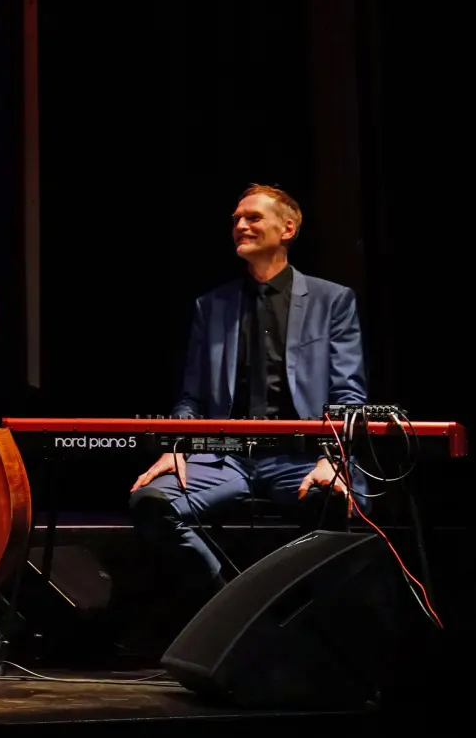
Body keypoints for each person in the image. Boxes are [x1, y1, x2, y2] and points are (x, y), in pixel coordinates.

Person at [130, 184, 367, 600]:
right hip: (227, 458)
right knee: (151, 502)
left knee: (331, 503)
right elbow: (192, 398)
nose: (240, 225)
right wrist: (176, 446)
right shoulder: (212, 305)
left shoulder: (332, 301)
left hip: (301, 456)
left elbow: (348, 393)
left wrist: (332, 459)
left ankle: (302, 624)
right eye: (236, 220)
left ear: (287, 228)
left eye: (253, 218)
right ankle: (230, 606)